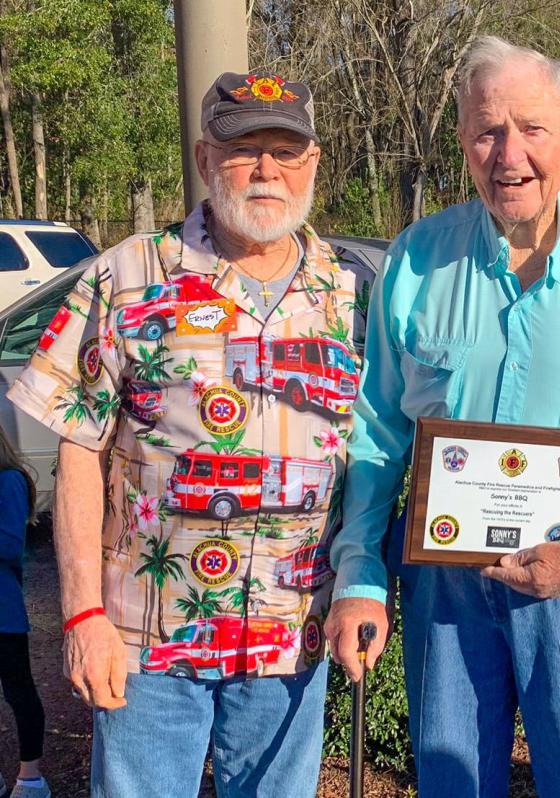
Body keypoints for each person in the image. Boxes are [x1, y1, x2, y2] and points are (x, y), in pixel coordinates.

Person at [324, 36, 560, 798]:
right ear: (463, 140)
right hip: (443, 581)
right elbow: (377, 430)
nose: (508, 153)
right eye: (487, 130)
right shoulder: (416, 260)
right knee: (451, 780)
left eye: (530, 128)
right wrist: (358, 569)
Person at [7, 70, 374, 797]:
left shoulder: (352, 295)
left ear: (313, 163)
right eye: (243, 150)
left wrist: (363, 586)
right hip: (147, 638)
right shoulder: (126, 276)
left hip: (290, 634)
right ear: (206, 160)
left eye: (284, 149)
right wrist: (81, 614)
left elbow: (376, 455)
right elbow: (77, 446)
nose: (265, 168)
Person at [0, 428, 49, 798]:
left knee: (19, 693)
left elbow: (10, 543)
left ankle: (31, 778)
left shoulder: (10, 480)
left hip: (4, 613)